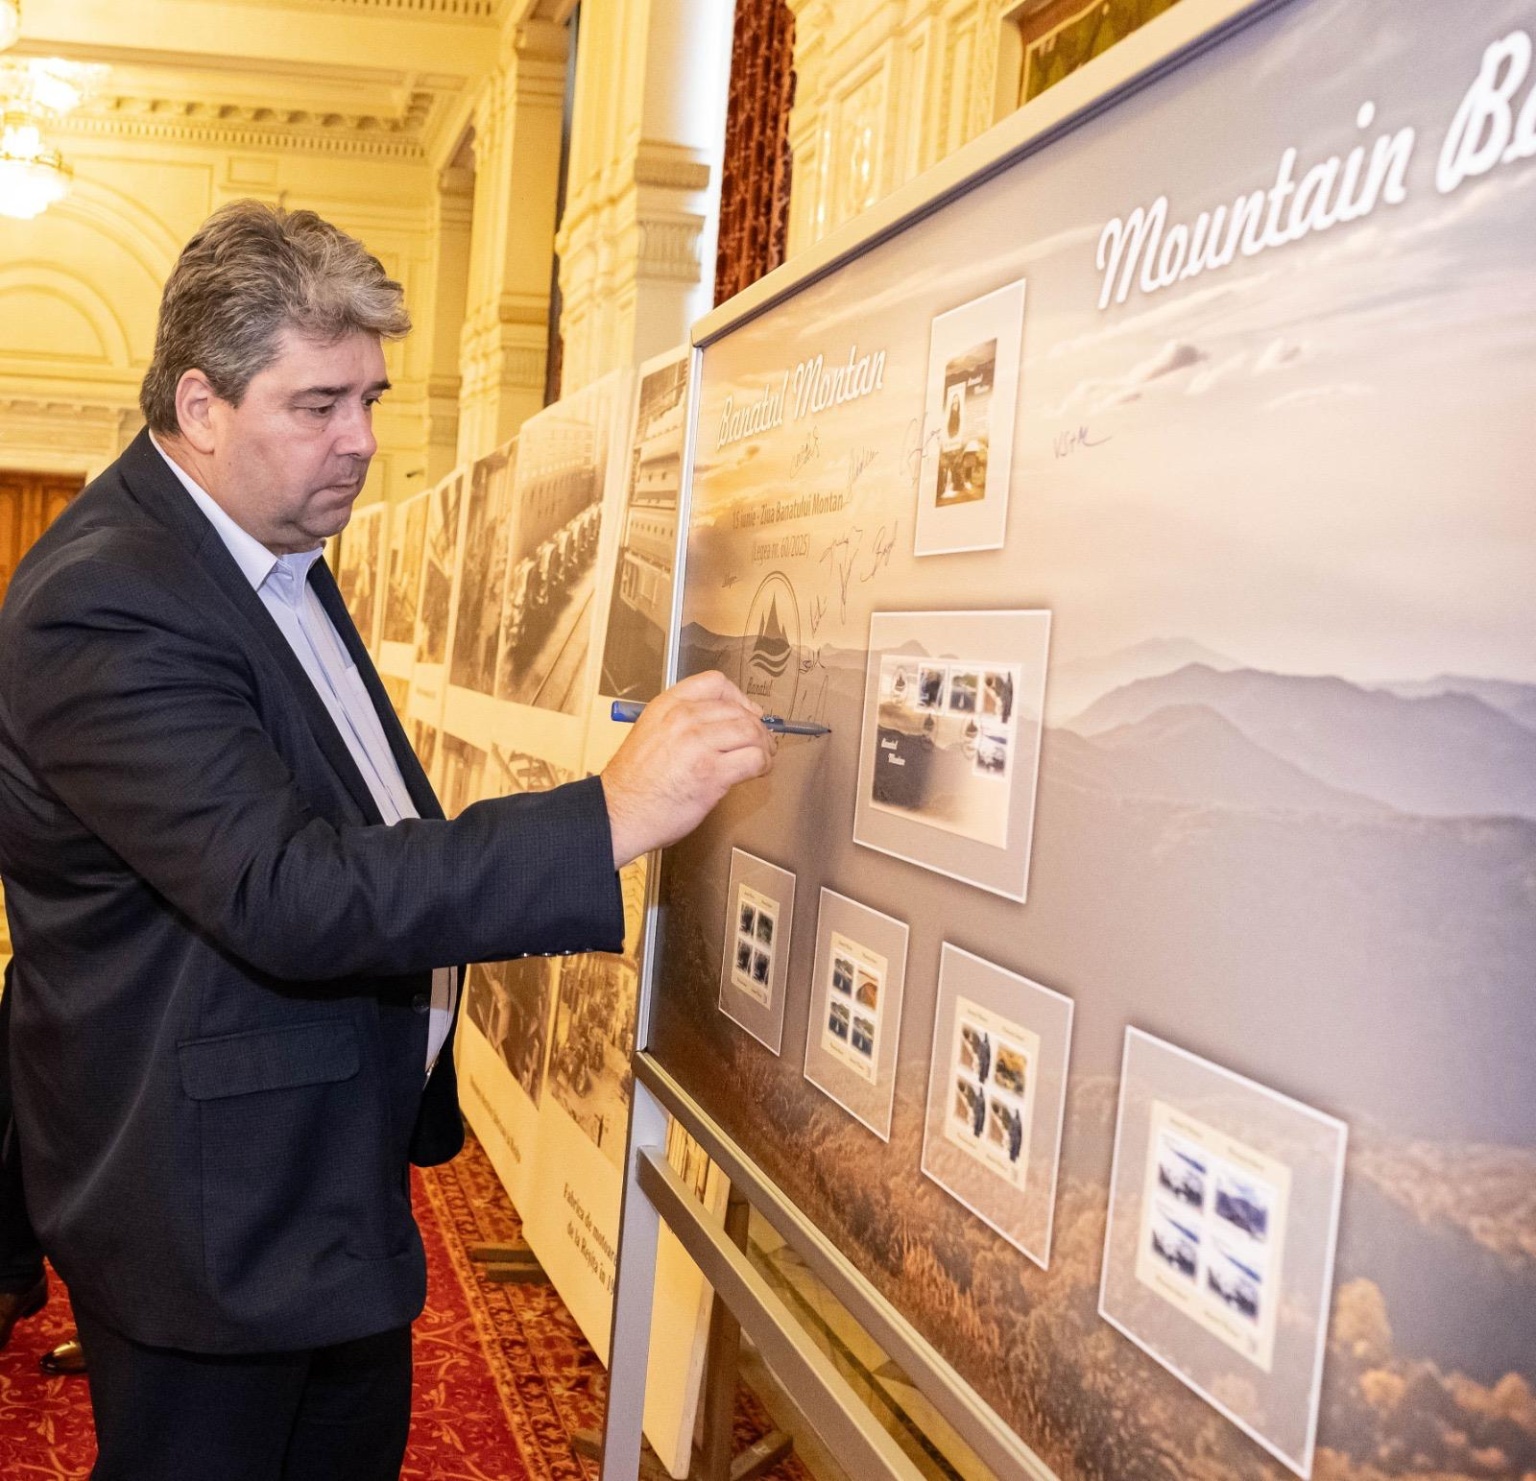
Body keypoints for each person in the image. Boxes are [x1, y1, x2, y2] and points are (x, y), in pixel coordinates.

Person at [0, 201, 773, 1480]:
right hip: (211, 1213)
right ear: (200, 405)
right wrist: (609, 814)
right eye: (318, 404)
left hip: (310, 1173)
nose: (360, 440)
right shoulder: (110, 598)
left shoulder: (263, 546)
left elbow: (357, 810)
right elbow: (286, 887)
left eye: (369, 398)